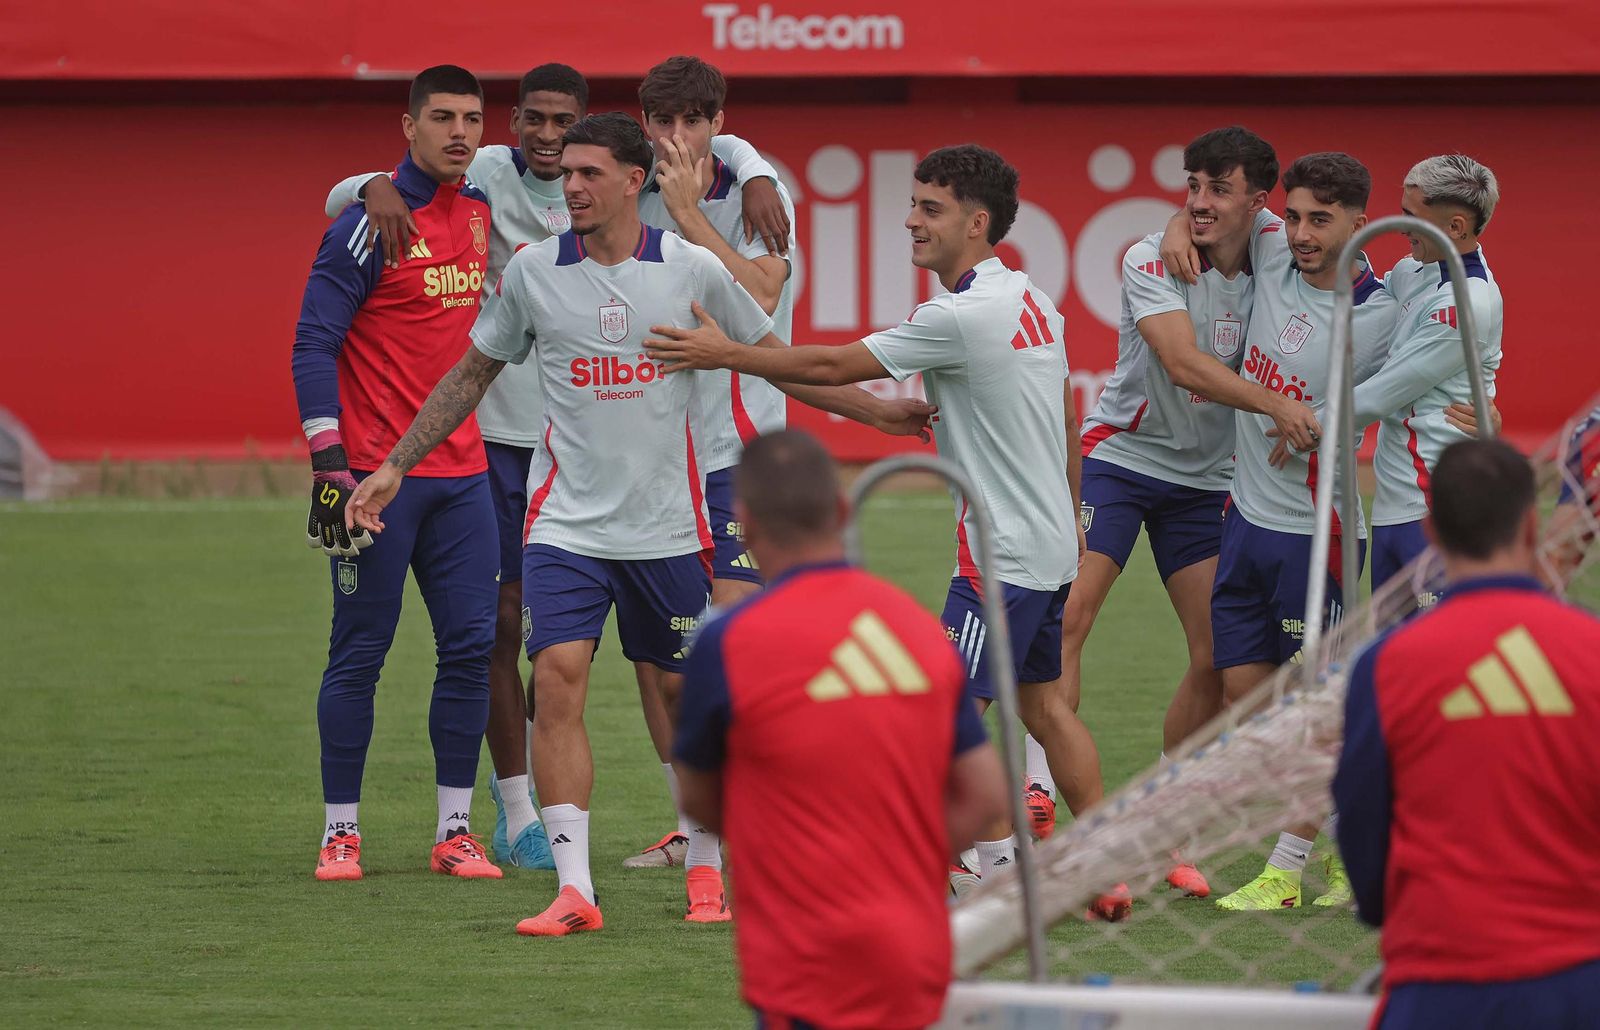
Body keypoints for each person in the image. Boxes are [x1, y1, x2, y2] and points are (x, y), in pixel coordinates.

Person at [345, 113, 933, 934]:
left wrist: (877, 414)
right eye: (567, 174)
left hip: (669, 526)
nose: (572, 186)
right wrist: (396, 463)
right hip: (567, 527)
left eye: (590, 173)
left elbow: (775, 359)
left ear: (634, 182)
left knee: (682, 692)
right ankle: (576, 888)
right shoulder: (533, 271)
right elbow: (471, 374)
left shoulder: (692, 269)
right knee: (556, 680)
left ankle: (704, 867)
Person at [319, 66, 792, 872]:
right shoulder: (500, 183)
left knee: (699, 655)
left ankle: (728, 825)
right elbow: (363, 197)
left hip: (706, 458)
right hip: (532, 458)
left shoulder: (708, 202)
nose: (555, 152)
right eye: (537, 126)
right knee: (523, 643)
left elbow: (769, 323)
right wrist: (370, 182)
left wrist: (746, 171)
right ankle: (526, 822)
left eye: (570, 137)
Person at [647, 143, 1131, 918]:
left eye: (929, 208)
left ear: (976, 223)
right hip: (1045, 550)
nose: (909, 219)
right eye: (912, 204)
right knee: (1043, 710)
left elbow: (835, 366)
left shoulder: (960, 315)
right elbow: (1068, 416)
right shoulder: (1033, 297)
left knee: (937, 719)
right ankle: (1101, 866)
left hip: (997, 559)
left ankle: (1000, 875)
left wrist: (722, 352)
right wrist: (1074, 520)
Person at [674, 429, 1007, 1030]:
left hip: (802, 956)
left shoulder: (725, 642)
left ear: (745, 526)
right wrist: (901, 859)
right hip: (915, 943)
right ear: (844, 510)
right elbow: (984, 794)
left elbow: (698, 796)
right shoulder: (913, 628)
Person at [1061, 127, 1319, 898]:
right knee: (1069, 617)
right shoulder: (1151, 256)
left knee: (1216, 654)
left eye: (1217, 190)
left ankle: (1159, 823)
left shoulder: (1282, 242)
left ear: (1257, 201)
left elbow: (1343, 259)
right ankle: (1045, 796)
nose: (1198, 204)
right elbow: (1178, 362)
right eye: (1191, 188)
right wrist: (1276, 403)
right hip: (1123, 459)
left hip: (1210, 481)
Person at [291, 64, 501, 882]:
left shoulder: (480, 211)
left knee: (471, 648)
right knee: (360, 652)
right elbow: (313, 344)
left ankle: (455, 831)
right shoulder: (365, 222)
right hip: (375, 482)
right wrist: (330, 467)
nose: (460, 132)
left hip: (463, 479)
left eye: (473, 119)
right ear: (407, 125)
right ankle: (340, 832)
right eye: (442, 117)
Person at [1334, 440, 1600, 1029]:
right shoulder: (1592, 651)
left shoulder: (1386, 664)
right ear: (1531, 525)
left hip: (1440, 979)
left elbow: (1360, 821)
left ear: (1431, 528)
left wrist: (1384, 907)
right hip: (1580, 978)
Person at [1194, 153, 1398, 911]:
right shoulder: (1273, 244)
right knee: (1253, 707)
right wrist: (1173, 230)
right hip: (1246, 521)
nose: (1304, 234)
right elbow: (1208, 217)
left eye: (1323, 220)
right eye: (1299, 216)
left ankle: (1284, 874)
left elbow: (1421, 385)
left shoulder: (1378, 315)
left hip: (1324, 539)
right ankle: (1347, 842)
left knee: (1316, 711)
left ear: (1358, 223)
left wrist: (1332, 427)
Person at [625, 54, 803, 873]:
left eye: (692, 121)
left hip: (740, 456)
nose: (676, 138)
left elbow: (761, 302)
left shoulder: (759, 192)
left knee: (732, 645)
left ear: (717, 124)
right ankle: (695, 824)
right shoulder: (623, 189)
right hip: (655, 458)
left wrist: (694, 219)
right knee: (660, 665)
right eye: (662, 122)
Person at [1330, 155, 1505, 600]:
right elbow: (1366, 302)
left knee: (1443, 661)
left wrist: (1297, 422)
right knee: (1396, 659)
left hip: (1434, 501)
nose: (1400, 226)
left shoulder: (1469, 302)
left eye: (1411, 217)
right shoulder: (1414, 270)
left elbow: (1382, 394)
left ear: (1457, 227)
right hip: (1394, 503)